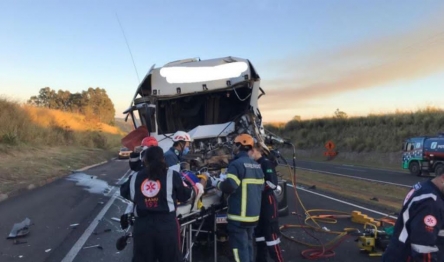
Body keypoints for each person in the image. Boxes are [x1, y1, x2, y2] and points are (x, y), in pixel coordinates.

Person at [120, 146, 204, 262]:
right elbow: (184, 196)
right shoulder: (172, 175)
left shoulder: (135, 177)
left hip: (143, 227)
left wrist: (144, 199)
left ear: (145, 160)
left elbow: (124, 192)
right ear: (163, 159)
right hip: (166, 227)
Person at [206, 133, 264, 262]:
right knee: (248, 245)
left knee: (239, 249)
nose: (233, 148)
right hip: (253, 216)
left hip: (239, 217)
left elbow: (230, 186)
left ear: (239, 146)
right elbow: (260, 188)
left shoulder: (236, 164)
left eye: (235, 145)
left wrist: (217, 183)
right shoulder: (257, 166)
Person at [381, 167, 444, 262]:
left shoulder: (424, 187)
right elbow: (423, 249)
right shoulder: (431, 203)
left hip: (397, 249)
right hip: (406, 256)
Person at [250, 144, 284, 262]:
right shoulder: (253, 164)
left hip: (267, 204)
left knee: (271, 235)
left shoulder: (265, 163)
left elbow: (272, 184)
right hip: (257, 204)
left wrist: (255, 188)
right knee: (259, 236)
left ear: (254, 151)